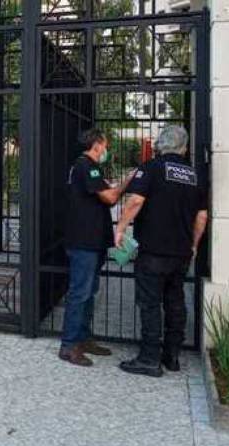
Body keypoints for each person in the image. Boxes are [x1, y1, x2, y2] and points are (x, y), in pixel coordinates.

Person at [116, 126, 208, 377]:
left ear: (160, 145)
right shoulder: (195, 175)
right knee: (175, 301)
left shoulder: (151, 168)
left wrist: (120, 229)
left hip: (153, 251)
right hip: (181, 252)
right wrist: (194, 245)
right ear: (184, 148)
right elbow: (201, 216)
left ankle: (149, 358)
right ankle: (172, 355)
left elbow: (135, 201)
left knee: (150, 304)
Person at [59, 128, 133, 367]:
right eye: (105, 145)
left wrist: (114, 187)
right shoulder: (86, 165)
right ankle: (69, 345)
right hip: (84, 241)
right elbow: (110, 197)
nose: (106, 150)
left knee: (89, 292)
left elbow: (103, 193)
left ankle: (83, 338)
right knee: (80, 293)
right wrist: (127, 182)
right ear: (97, 144)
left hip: (91, 240)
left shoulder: (88, 167)